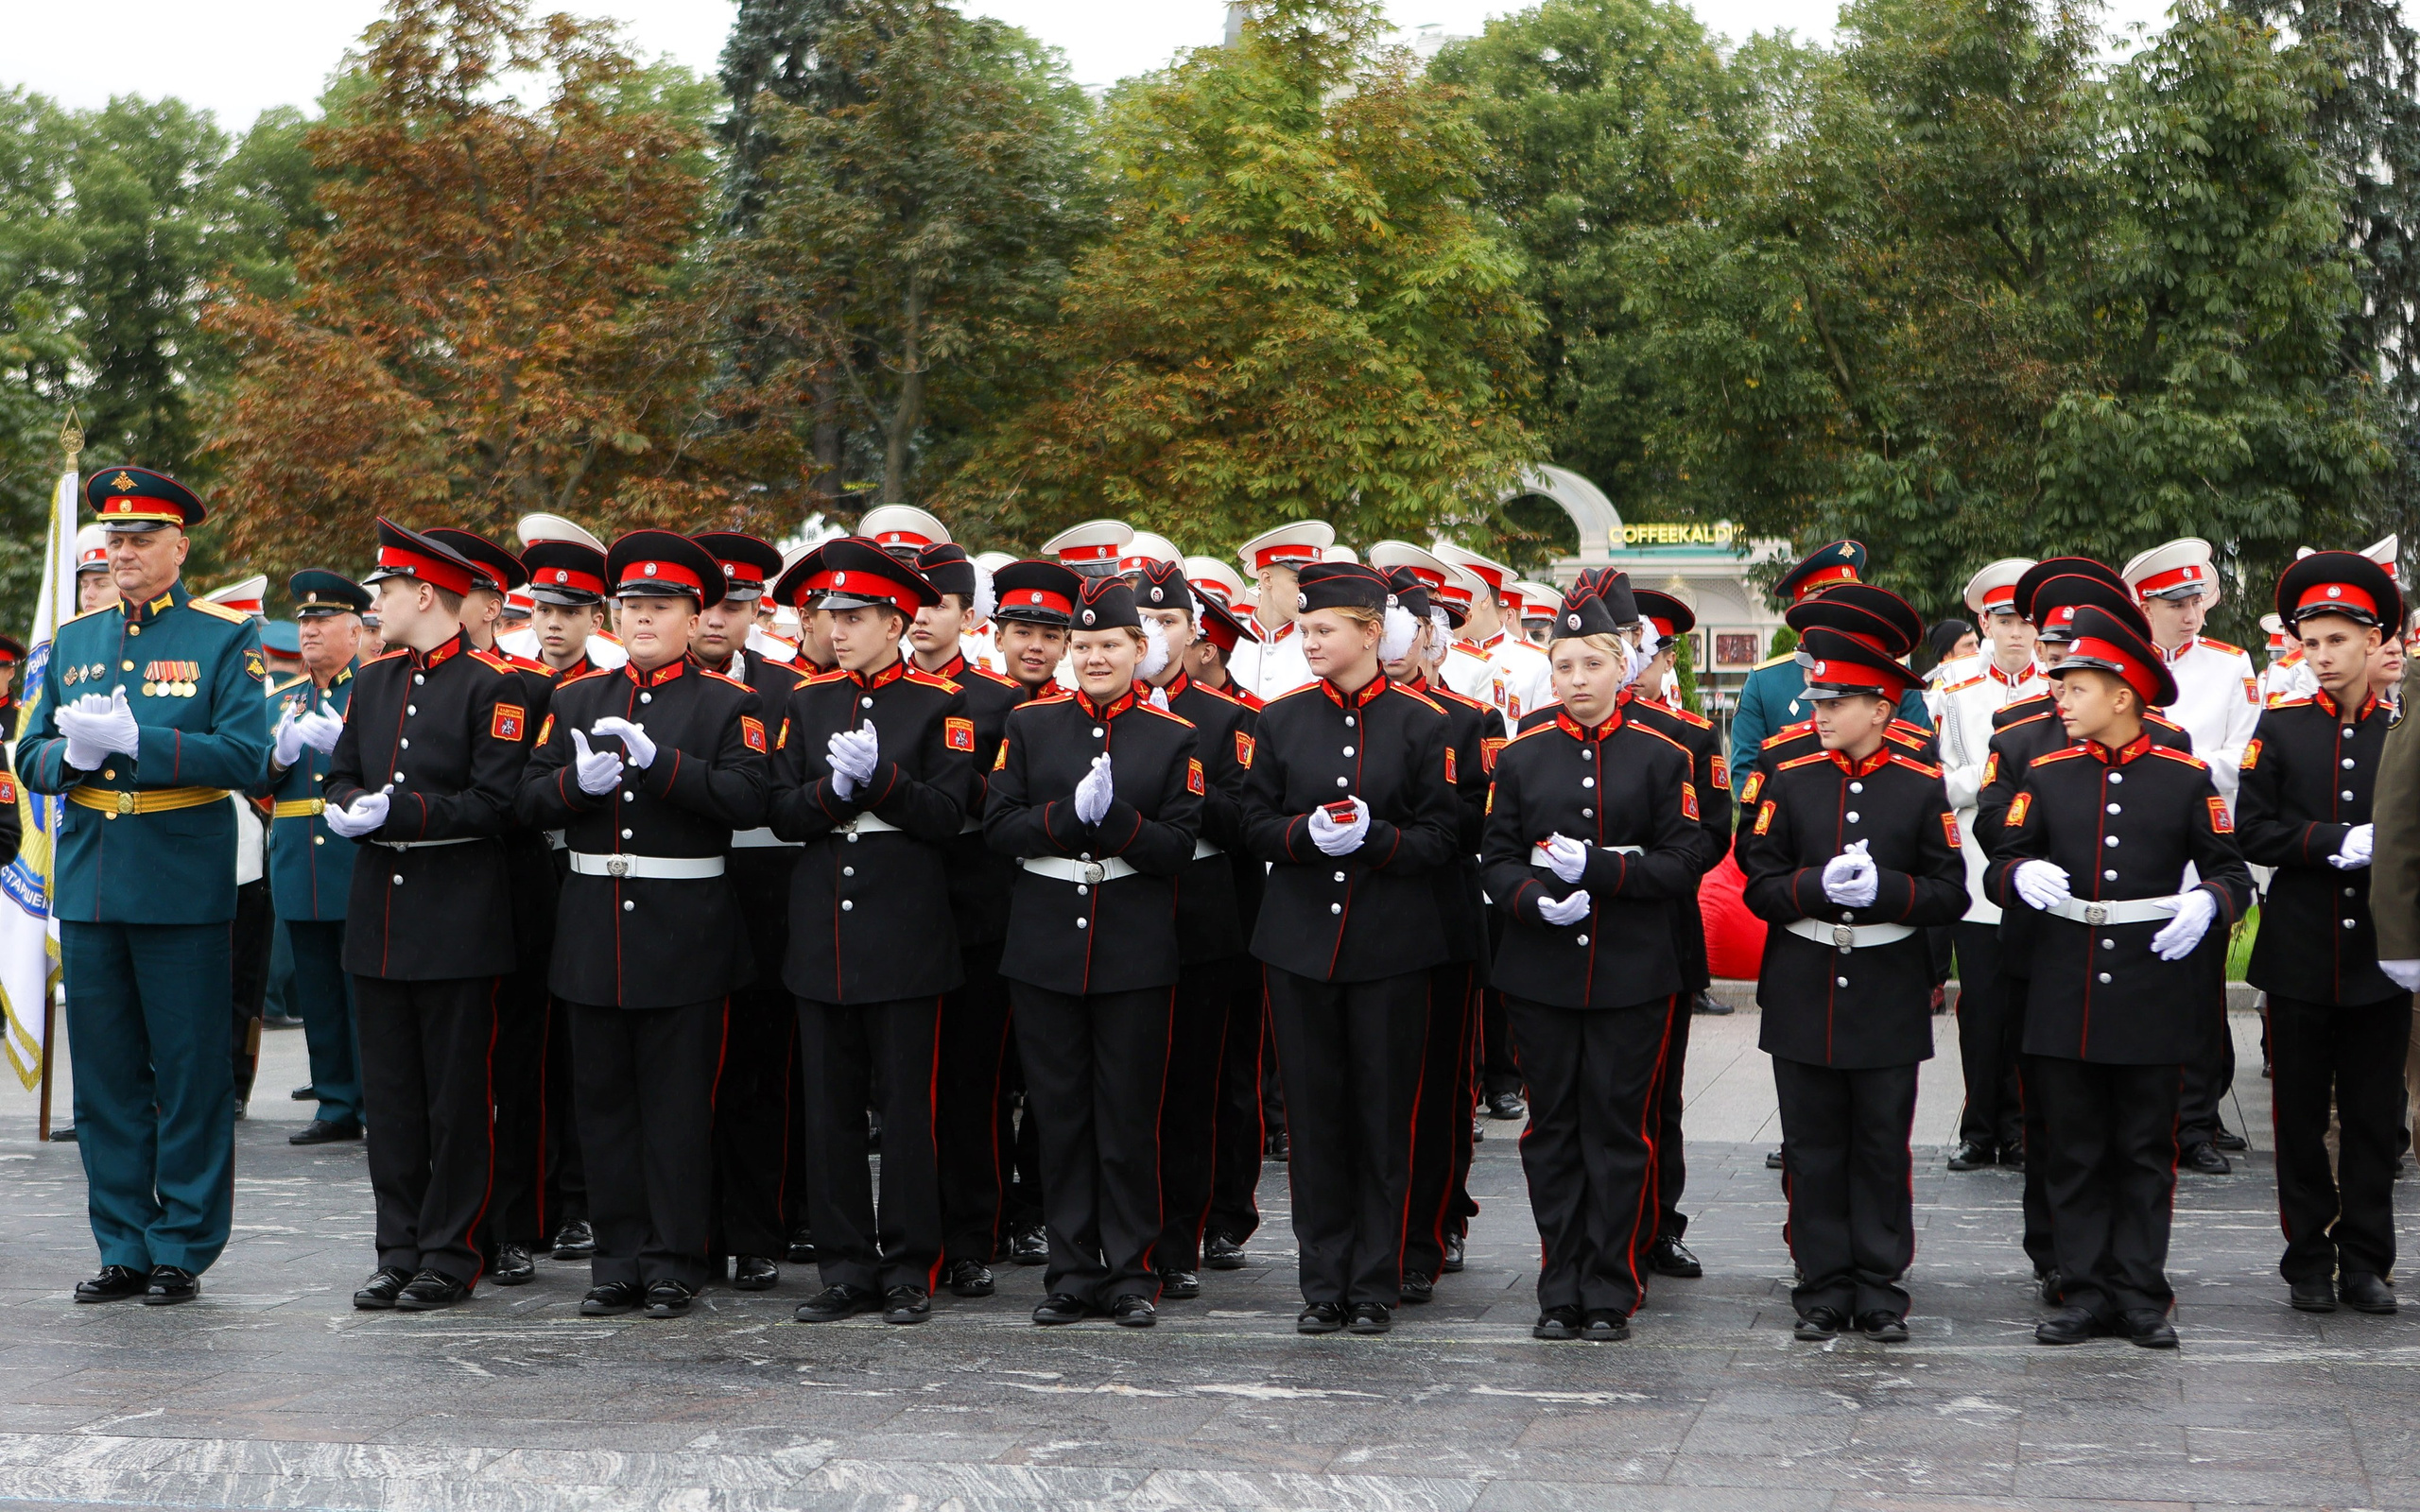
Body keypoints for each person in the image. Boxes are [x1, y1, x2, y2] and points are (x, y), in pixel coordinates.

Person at [23, 467, 268, 1307]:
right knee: (107, 1077)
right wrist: (70, 760)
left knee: (191, 1071)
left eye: (141, 539)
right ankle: (122, 1242)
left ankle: (183, 1244)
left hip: (179, 878)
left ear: (179, 547)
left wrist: (146, 741)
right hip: (93, 878)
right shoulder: (75, 639)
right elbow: (28, 754)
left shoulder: (223, 638)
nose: (123, 553)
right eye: (114, 541)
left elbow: (247, 755)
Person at [518, 530, 768, 1317]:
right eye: (631, 607)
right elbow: (525, 799)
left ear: (696, 620)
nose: (643, 621)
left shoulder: (733, 704)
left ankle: (674, 1260)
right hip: (595, 927)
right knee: (604, 1104)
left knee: (677, 1108)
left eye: (661, 608)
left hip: (684, 932)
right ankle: (617, 1259)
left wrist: (662, 766)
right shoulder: (575, 699)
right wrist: (573, 786)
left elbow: (747, 800)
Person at [1988, 605, 2252, 1348]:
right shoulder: (2043, 773)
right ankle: (2081, 1289)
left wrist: (2211, 902)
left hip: (2148, 985)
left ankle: (2140, 1293)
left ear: (2123, 695)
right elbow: (2003, 860)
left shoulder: (2184, 775)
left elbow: (2232, 871)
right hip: (2064, 982)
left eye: (2074, 688)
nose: (2060, 700)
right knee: (2070, 1147)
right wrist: (2018, 872)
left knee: (2143, 1150)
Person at [1242, 560, 1460, 1335]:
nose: (1309, 642)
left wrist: (1381, 838)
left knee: (1382, 1115)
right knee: (1315, 1117)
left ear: (1371, 633)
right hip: (1299, 944)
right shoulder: (1280, 720)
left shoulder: (1422, 723)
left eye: (1324, 630)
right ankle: (1321, 1281)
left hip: (1389, 946)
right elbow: (1253, 822)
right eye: (1303, 629)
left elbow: (1442, 835)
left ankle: (1376, 1279)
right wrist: (1306, 835)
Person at [1481, 576, 1701, 1341]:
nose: (1576, 681)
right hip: (1540, 970)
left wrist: (1602, 872)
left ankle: (1611, 1284)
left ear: (1621, 667)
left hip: (1630, 972)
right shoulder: (1521, 757)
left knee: (1616, 1129)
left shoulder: (1662, 755)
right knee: (1552, 1131)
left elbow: (1684, 861)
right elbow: (1496, 859)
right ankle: (1559, 1281)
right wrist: (1535, 900)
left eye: (1590, 666)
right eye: (1563, 666)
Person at [324, 521, 532, 1312]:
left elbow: (495, 801)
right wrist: (349, 805)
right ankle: (397, 1246)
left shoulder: (493, 685)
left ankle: (452, 1252)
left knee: (455, 1102)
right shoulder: (373, 680)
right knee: (394, 1103)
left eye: (385, 590)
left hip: (458, 919)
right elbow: (343, 770)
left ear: (424, 594)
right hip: (380, 916)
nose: (377, 603)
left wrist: (399, 809)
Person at [984, 574, 1201, 1326]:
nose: (1094, 657)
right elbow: (998, 828)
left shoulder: (1175, 737)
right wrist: (1062, 816)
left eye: (1110, 644)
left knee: (1128, 1113)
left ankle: (1134, 1270)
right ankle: (1071, 1271)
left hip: (1133, 946)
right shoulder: (1030, 725)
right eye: (1083, 646)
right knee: (1061, 1113)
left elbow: (1177, 847)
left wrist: (1116, 824)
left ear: (1141, 648)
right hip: (1045, 944)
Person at [1738, 627, 1966, 1343]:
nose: (1820, 713)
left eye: (1836, 702)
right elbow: (1760, 880)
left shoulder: (1920, 783)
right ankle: (1822, 1283)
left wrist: (1889, 890)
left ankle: (1878, 1284)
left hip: (1886, 984)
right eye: (1817, 700)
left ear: (1882, 706)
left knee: (1879, 1141)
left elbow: (1948, 891)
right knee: (1812, 1145)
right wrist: (1813, 885)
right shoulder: (1789, 774)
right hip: (1806, 979)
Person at [768, 538, 975, 1326]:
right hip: (824, 937)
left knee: (911, 1114)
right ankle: (845, 1265)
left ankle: (911, 1265)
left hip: (906, 938)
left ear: (895, 623)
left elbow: (949, 816)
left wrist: (882, 779)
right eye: (829, 614)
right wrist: (834, 788)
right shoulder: (806, 702)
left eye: (854, 615)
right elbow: (783, 813)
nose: (836, 628)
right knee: (831, 1114)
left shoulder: (941, 705)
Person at [2237, 551, 2406, 1314]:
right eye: (2311, 643)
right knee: (2299, 1119)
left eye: (2338, 640)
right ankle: (2308, 1258)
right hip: (2301, 951)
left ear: (2376, 643)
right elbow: (2252, 829)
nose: (2323, 657)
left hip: (2382, 956)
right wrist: (2333, 842)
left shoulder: (2402, 733)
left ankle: (2367, 1260)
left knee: (2375, 1118)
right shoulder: (2278, 727)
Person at [425, 527, 560, 1290]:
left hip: (511, 881)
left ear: (486, 604)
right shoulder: (402, 678)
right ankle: (449, 1221)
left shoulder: (529, 686)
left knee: (516, 1063)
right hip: (439, 889)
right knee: (448, 1074)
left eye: (468, 592)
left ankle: (514, 1221)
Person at [1126, 555, 1258, 1300]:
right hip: (1111, 914)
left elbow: (1244, 823)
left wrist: (1178, 791)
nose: (1152, 633)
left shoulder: (1228, 719)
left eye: (1167, 621)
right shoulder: (1085, 712)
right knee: (1118, 1088)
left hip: (1197, 919)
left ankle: (1180, 1238)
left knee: (1191, 1088)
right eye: (1140, 621)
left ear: (1194, 635)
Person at [1369, 547, 1498, 1299]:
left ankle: (1437, 1217)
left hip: (1441, 920)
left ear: (1428, 636)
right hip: (1361, 920)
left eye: (1399, 626)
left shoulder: (1466, 718)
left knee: (1441, 1082)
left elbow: (1482, 819)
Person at [690, 530, 810, 1294]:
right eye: (702, 604)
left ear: (754, 611)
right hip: (682, 896)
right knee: (687, 1076)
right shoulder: (649, 689)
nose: (714, 620)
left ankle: (761, 1229)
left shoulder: (788, 690)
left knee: (764, 1076)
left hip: (767, 895)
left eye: (731, 606)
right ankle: (694, 1230)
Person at [907, 541, 1026, 1299]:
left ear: (968, 616)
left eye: (936, 605)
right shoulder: (856, 693)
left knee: (972, 1085)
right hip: (895, 912)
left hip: (975, 910)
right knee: (903, 1089)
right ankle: (911, 1233)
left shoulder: (998, 701)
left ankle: (973, 1234)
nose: (919, 618)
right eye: (909, 604)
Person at [2120, 538, 2260, 1175]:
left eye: (2197, 600)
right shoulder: (2118, 666)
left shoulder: (2230, 665)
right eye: (2175, 603)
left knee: (2202, 997)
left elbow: (2246, 754)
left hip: (2200, 847)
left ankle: (2197, 1123)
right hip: (2132, 851)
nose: (2191, 614)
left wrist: (2184, 770)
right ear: (2142, 604)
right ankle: (2140, 1115)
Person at [1624, 586, 1732, 1274]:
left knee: (1660, 1093)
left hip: (1661, 925)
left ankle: (1660, 1222)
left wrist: (1650, 869)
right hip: (1574, 927)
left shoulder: (1690, 734)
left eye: (1644, 648)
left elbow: (1714, 834)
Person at [514, 533, 611, 1263]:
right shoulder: (510, 682)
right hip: (523, 875)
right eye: (543, 609)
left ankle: (578, 1199)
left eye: (568, 611)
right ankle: (533, 1201)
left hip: (585, 877)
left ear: (594, 617)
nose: (552, 624)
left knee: (580, 1054)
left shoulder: (607, 689)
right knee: (525, 1054)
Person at [984, 559, 1083, 1263]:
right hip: (980, 912)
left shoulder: (1083, 713)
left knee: (1055, 1078)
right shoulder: (974, 703)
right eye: (1022, 630)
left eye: (1051, 633)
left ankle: (1042, 1207)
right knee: (985, 1077)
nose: (1035, 647)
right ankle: (991, 1209)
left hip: (1059, 912)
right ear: (998, 634)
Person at [1932, 559, 2045, 1173]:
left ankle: (2022, 1125)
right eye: (2004, 620)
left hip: (2035, 869)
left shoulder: (2058, 680)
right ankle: (1978, 1129)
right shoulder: (1952, 688)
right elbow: (1940, 781)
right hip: (1976, 872)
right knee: (1980, 1011)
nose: (2017, 633)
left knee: (2027, 1007)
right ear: (1983, 620)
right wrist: (1992, 776)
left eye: (2026, 621)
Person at [256, 570, 370, 1147]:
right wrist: (278, 756)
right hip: (299, 860)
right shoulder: (284, 699)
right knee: (320, 992)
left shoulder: (374, 692)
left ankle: (375, 1099)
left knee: (363, 992)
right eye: (304, 621)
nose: (310, 631)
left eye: (322, 621)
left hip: (355, 856)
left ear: (355, 631)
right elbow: (256, 782)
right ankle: (336, 1100)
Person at [1729, 541, 1931, 782]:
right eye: (1831, 604)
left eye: (1851, 603)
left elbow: (1921, 753)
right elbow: (1747, 773)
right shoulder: (1765, 681)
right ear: (1805, 612)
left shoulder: (1889, 673)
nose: (1844, 613)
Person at [1228, 522, 1331, 702]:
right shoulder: (1229, 640)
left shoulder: (1321, 646)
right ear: (1267, 579)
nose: (1307, 591)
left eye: (1312, 582)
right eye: (1298, 581)